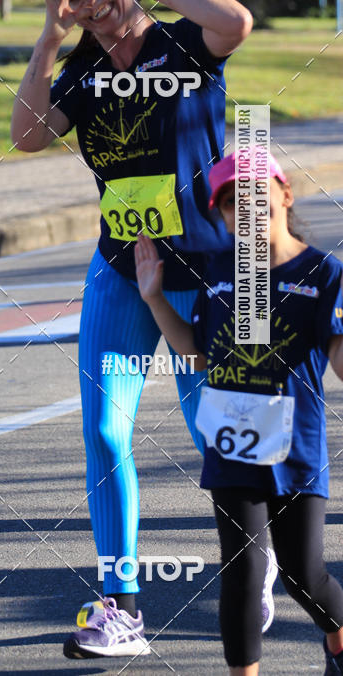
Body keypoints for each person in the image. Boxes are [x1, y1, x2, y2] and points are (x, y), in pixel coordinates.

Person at [11, 0, 257, 657]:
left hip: (209, 273)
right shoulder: (81, 70)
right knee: (107, 433)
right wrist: (49, 40)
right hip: (124, 270)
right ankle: (122, 608)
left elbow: (236, 23)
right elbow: (27, 133)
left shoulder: (183, 46)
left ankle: (257, 562)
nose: (96, 1)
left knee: (220, 435)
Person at [135, 149, 343, 674]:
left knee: (302, 575)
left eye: (256, 195)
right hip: (231, 442)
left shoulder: (323, 273)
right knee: (244, 570)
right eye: (231, 204)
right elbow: (197, 353)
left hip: (295, 448)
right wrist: (155, 298)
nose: (246, 211)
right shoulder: (220, 274)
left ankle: (339, 641)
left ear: (284, 194)